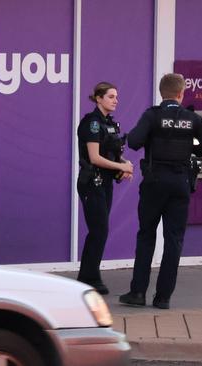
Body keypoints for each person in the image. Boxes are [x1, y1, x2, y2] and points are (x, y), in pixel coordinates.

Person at [119, 73, 202, 309]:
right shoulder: (191, 118)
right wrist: (192, 150)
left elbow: (133, 141)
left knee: (146, 236)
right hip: (180, 184)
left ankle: (138, 293)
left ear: (161, 93)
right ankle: (163, 297)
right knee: (173, 240)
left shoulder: (152, 115)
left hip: (154, 183)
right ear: (181, 93)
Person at [76, 82, 134, 295]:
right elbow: (94, 158)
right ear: (99, 98)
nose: (115, 100)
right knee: (99, 230)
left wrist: (123, 165)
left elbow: (111, 155)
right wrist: (120, 166)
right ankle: (90, 277)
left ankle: (87, 275)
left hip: (105, 183)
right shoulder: (92, 123)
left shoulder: (110, 124)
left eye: (116, 96)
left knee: (99, 230)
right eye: (111, 96)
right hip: (92, 183)